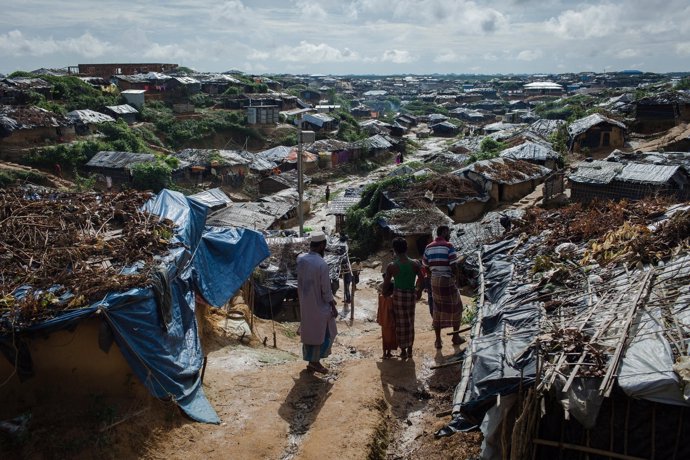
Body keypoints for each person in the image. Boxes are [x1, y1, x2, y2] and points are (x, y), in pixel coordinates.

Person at [297, 232, 338, 374]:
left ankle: (311, 361)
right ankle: (315, 362)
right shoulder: (322, 264)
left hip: (305, 303)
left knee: (310, 331)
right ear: (322, 246)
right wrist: (333, 305)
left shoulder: (301, 259)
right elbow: (326, 290)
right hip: (319, 305)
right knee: (326, 331)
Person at [382, 237, 424, 360]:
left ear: (394, 250)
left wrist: (384, 293)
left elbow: (386, 284)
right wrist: (419, 291)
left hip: (398, 296)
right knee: (410, 322)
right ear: (406, 248)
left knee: (400, 323)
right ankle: (410, 349)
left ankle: (403, 350)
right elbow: (422, 280)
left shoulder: (392, 266)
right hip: (411, 295)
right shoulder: (415, 263)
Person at [423, 225, 463, 349]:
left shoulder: (428, 247)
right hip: (447, 280)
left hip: (434, 281)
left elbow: (425, 266)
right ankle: (455, 337)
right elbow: (453, 266)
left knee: (437, 309)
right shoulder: (449, 246)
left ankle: (438, 340)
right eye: (449, 233)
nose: (450, 235)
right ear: (444, 232)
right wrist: (456, 279)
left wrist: (432, 276)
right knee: (457, 307)